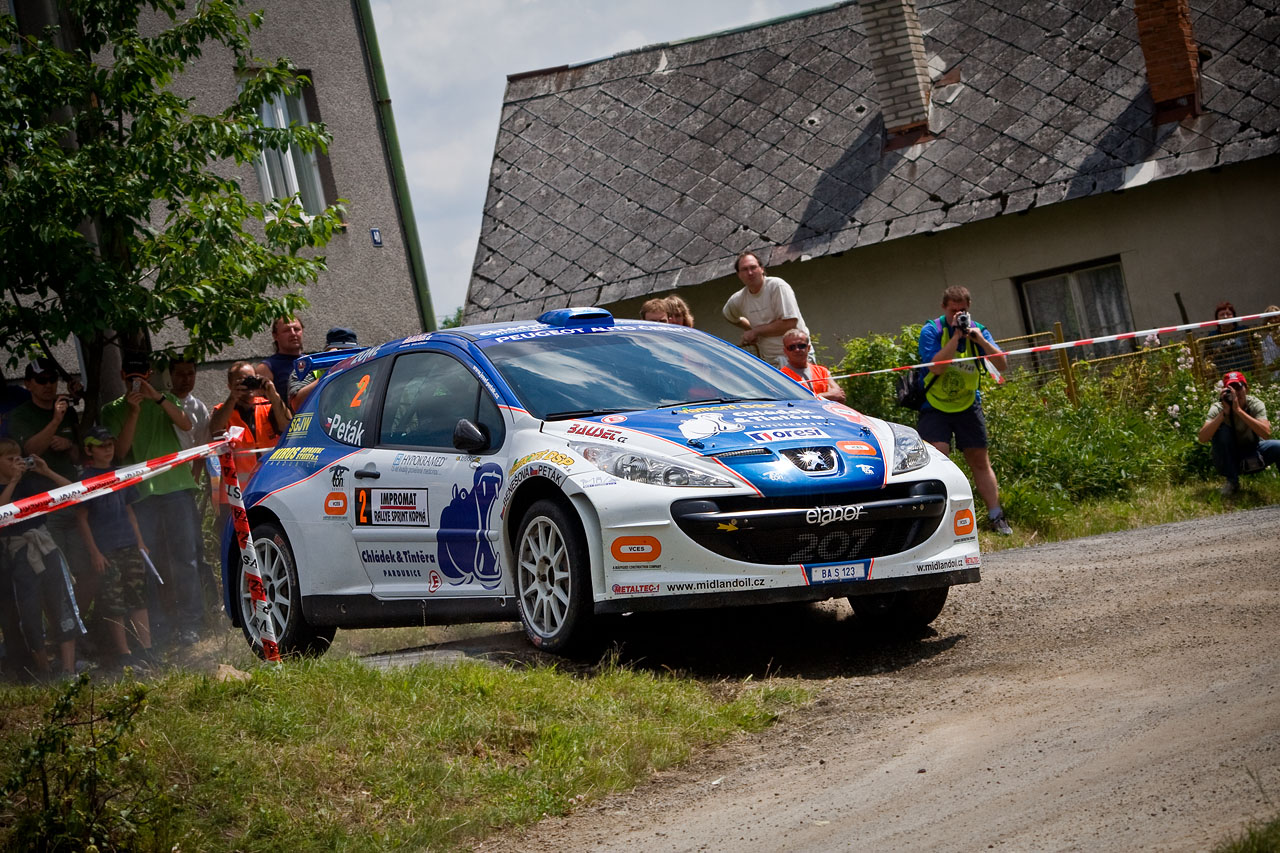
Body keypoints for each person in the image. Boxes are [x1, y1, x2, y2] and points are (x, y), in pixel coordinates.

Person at [100, 352, 204, 647]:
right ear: (123, 377)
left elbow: (186, 425)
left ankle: (190, 623)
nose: (138, 382)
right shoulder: (113, 410)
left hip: (177, 488)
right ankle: (156, 625)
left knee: (185, 558)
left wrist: (156, 398)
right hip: (142, 494)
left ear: (150, 375)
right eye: (133, 378)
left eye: (143, 376)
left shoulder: (166, 399)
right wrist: (133, 413)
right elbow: (119, 452)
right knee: (148, 561)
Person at [6, 358, 92, 637]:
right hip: (42, 507)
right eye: (41, 381)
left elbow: (80, 455)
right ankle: (61, 638)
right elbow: (29, 449)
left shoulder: (68, 411)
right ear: (28, 384)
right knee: (56, 578)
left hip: (72, 498)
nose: (48, 386)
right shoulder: (21, 415)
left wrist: (69, 445)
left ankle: (73, 632)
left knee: (87, 570)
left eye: (52, 380)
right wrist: (55, 420)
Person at [917, 285, 1012, 535]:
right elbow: (935, 368)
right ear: (944, 308)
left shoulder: (978, 330)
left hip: (968, 404)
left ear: (969, 308)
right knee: (938, 457)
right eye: (953, 311)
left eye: (963, 310)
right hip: (935, 404)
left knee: (979, 460)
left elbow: (1002, 364)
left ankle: (996, 516)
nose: (958, 315)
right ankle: (941, 520)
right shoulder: (932, 331)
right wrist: (956, 338)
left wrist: (977, 338)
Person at [0, 440, 82, 679]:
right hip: (15, 554)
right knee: (29, 612)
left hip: (45, 547)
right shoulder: (10, 485)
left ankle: (68, 669)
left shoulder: (33, 482)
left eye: (18, 458)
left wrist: (46, 471)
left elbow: (74, 492)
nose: (16, 463)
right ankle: (44, 671)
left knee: (61, 603)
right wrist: (13, 481)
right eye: (9, 459)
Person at [74, 426, 152, 670]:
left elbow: (130, 510)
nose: (107, 449)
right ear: (89, 450)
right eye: (101, 445)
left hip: (128, 543)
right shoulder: (84, 479)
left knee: (138, 596)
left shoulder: (120, 473)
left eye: (109, 444)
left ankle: (147, 648)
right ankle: (124, 653)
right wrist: (95, 552)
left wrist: (140, 541)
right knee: (114, 602)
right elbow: (81, 518)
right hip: (106, 549)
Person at [209, 361, 290, 516]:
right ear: (230, 386)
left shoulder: (268, 406)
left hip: (268, 488)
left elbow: (288, 426)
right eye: (242, 382)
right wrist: (232, 398)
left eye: (251, 379)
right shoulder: (223, 410)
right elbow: (215, 429)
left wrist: (273, 394)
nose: (248, 385)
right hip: (234, 495)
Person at [1196, 371, 1280, 496]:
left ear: (1246, 389)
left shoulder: (1255, 404)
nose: (1236, 393)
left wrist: (1239, 411)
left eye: (1238, 388)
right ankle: (1232, 482)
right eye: (1231, 389)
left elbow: (1266, 433)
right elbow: (1202, 438)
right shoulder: (1218, 408)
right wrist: (1224, 413)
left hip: (1253, 450)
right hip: (1228, 458)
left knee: (1278, 446)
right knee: (1222, 432)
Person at [722, 251, 808, 366]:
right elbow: (728, 315)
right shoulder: (738, 299)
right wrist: (748, 328)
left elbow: (790, 323)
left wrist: (755, 331)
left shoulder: (777, 286)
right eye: (744, 269)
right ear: (739, 275)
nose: (750, 273)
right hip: (770, 364)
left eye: (753, 267)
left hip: (798, 358)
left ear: (762, 269)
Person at [289, 327, 361, 409]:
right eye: (341, 351)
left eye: (349, 353)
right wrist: (331, 371)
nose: (346, 359)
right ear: (328, 351)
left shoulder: (365, 369)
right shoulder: (310, 369)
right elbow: (298, 405)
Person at [778, 329, 846, 403]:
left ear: (808, 348)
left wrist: (813, 397)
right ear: (785, 351)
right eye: (791, 347)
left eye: (801, 346)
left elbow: (839, 396)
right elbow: (795, 402)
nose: (797, 350)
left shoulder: (822, 371)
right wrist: (827, 395)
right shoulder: (781, 376)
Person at [257, 315, 305, 407]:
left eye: (296, 329)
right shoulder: (266, 368)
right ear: (275, 336)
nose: (293, 333)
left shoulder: (312, 362)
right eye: (287, 330)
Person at [1203, 301, 1252, 374]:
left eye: (1228, 314)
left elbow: (1256, 350)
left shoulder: (1244, 330)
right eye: (1222, 315)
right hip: (1223, 375)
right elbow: (1207, 358)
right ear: (1217, 318)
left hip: (1246, 373)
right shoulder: (1211, 336)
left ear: (1234, 316)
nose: (1225, 317)